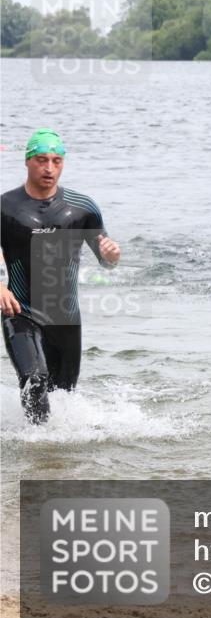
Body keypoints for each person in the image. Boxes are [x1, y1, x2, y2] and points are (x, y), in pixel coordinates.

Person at [0, 129, 121, 424]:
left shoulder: (82, 208)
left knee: (64, 397)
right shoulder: (5, 207)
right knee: (34, 378)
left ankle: (52, 448)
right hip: (20, 311)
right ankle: (36, 443)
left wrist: (111, 255)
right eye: (42, 160)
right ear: (27, 161)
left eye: (56, 161)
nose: (49, 168)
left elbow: (107, 262)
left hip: (65, 316)